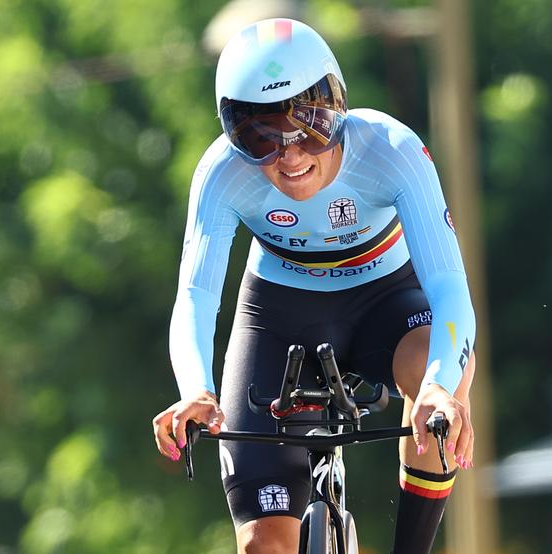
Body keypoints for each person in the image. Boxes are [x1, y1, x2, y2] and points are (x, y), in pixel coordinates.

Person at [152, 17, 476, 554]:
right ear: (233, 134)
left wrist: (441, 385)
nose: (292, 155)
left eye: (311, 128)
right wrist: (195, 391)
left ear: (339, 110)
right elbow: (196, 296)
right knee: (263, 546)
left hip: (388, 304)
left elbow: (448, 286)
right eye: (260, 139)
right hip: (279, 315)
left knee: (438, 383)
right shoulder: (220, 173)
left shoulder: (391, 149)